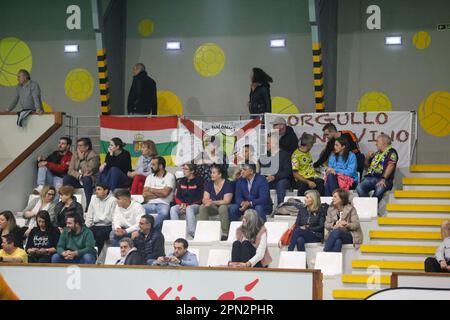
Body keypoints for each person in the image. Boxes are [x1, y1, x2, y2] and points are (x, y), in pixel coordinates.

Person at [357, 134, 399, 202]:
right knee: (359, 187)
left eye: (377, 141)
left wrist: (383, 178)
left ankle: (371, 208)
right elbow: (366, 166)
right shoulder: (377, 154)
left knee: (380, 189)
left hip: (385, 180)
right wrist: (367, 158)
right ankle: (370, 206)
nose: (376, 143)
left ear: (384, 142)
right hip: (371, 178)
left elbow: (391, 165)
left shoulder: (392, 152)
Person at [197, 164, 233, 239]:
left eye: (214, 173)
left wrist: (212, 202)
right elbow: (205, 199)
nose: (211, 174)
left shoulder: (228, 183)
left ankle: (225, 233)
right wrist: (206, 202)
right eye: (211, 172)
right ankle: (203, 231)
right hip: (213, 207)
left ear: (220, 174)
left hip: (226, 207)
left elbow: (226, 201)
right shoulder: (209, 183)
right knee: (203, 207)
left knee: (222, 207)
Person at [63, 137, 100, 210]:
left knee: (86, 179)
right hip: (79, 178)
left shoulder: (94, 156)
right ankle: (66, 202)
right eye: (77, 145)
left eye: (80, 145)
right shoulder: (75, 154)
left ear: (87, 147)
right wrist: (80, 175)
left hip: (90, 180)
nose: (78, 147)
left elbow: (88, 171)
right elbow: (70, 170)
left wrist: (82, 159)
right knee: (66, 178)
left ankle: (89, 205)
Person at [170, 164, 204, 239]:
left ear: (192, 171)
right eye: (183, 169)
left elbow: (200, 198)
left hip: (196, 205)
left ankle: (192, 232)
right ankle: (176, 231)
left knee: (190, 209)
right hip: (183, 204)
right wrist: (182, 204)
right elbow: (177, 196)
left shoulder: (199, 181)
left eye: (186, 169)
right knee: (173, 209)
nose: (183, 171)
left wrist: (187, 205)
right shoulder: (181, 181)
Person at [142, 156, 176, 229]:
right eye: (151, 164)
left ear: (160, 166)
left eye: (153, 165)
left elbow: (165, 193)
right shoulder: (149, 177)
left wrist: (151, 190)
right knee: (138, 209)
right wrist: (161, 193)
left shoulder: (170, 176)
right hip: (149, 204)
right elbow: (144, 194)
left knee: (164, 213)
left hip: (164, 204)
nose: (151, 166)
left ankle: (152, 229)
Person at [260, 134, 292, 204]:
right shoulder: (265, 156)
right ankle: (264, 207)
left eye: (267, 143)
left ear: (274, 144)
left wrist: (274, 177)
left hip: (282, 180)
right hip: (268, 180)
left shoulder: (285, 155)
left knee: (281, 184)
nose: (265, 145)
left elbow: (287, 172)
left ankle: (281, 206)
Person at [85, 183, 116, 254]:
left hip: (108, 226)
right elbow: (89, 214)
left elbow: (114, 217)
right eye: (96, 189)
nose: (96, 191)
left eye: (99, 189)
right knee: (86, 233)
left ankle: (96, 255)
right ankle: (85, 254)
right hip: (96, 225)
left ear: (106, 191)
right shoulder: (93, 198)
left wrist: (114, 230)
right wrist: (86, 228)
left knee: (99, 235)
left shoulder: (113, 200)